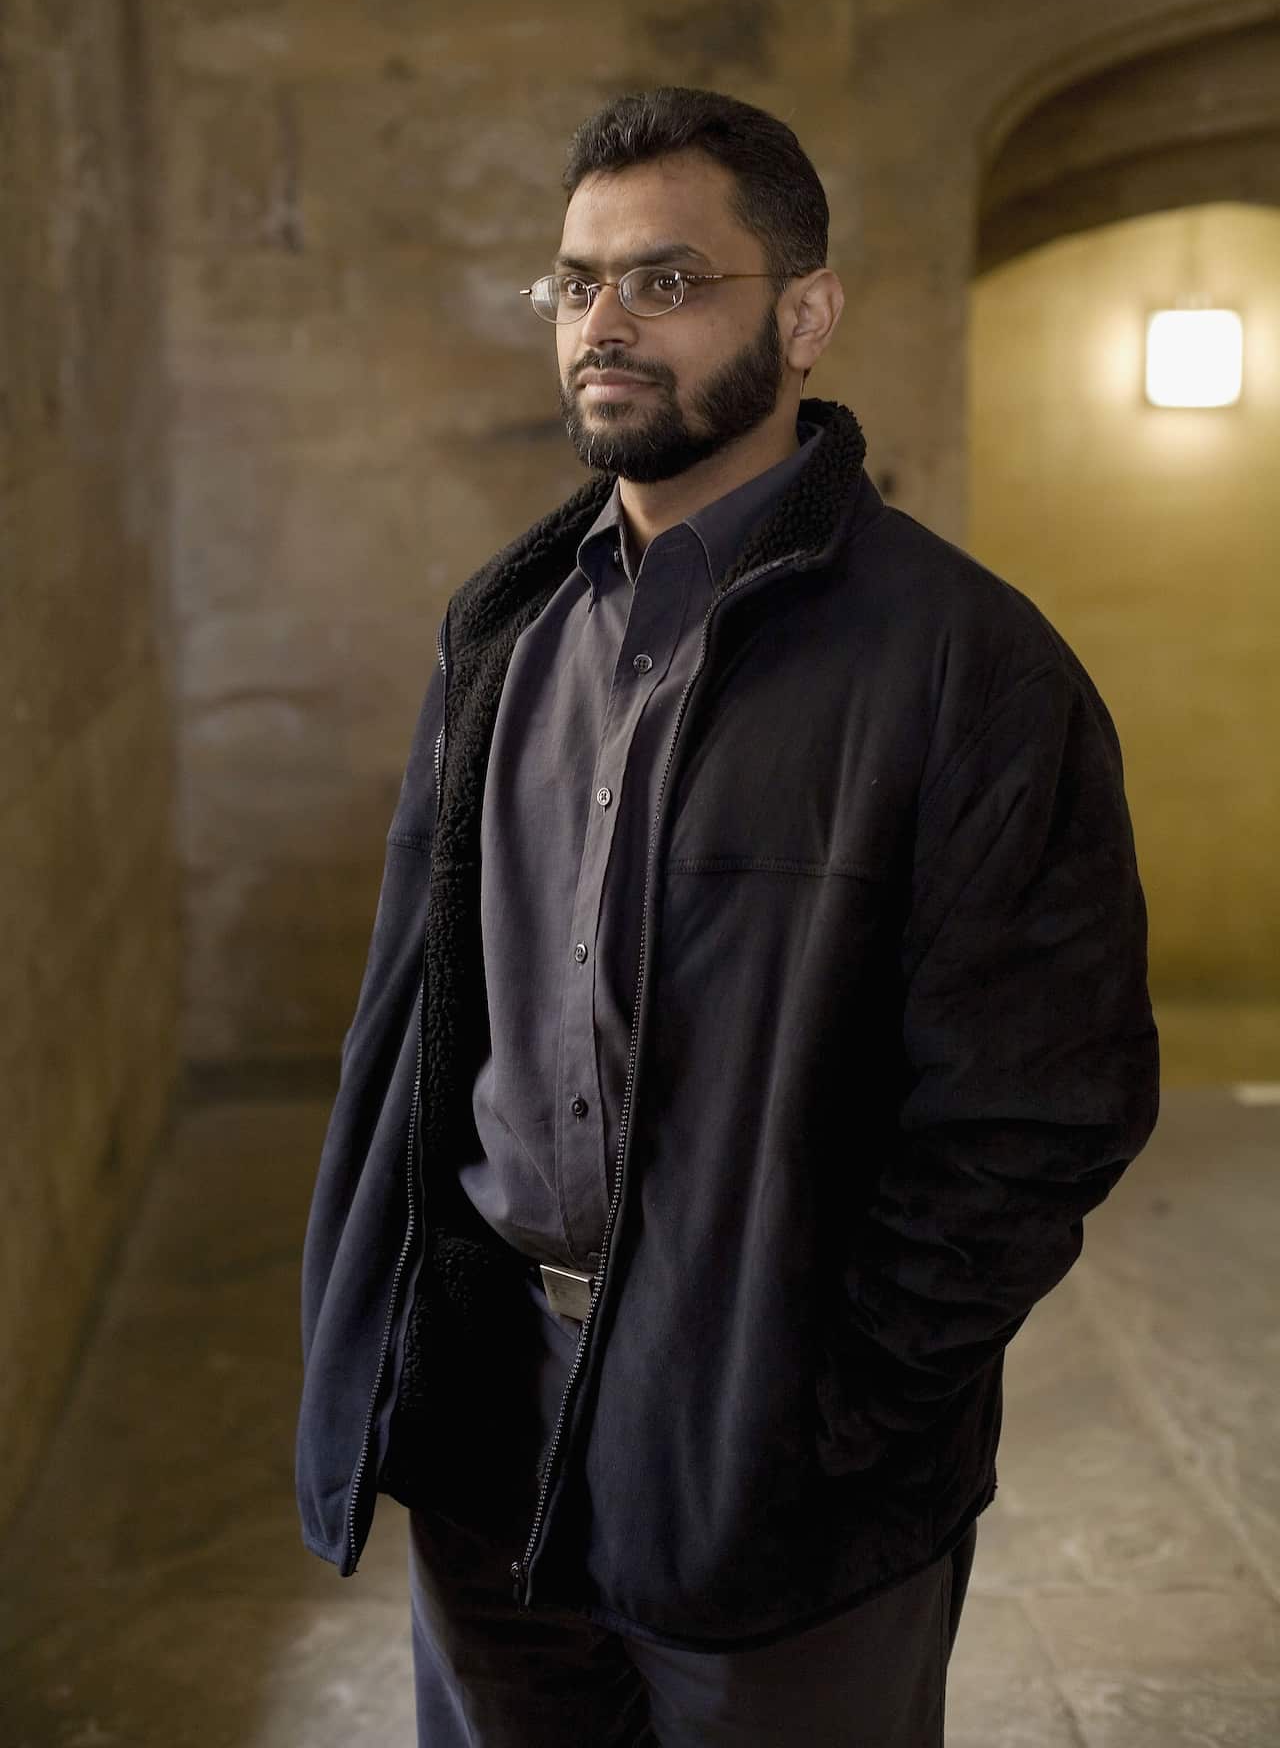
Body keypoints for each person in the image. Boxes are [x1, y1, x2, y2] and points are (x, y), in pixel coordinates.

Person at [295, 86, 1159, 1746]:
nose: (603, 324)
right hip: (491, 1430)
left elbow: (1043, 1109)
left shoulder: (968, 666)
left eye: (668, 281)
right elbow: (419, 1028)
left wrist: (838, 1411)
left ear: (809, 316)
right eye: (575, 283)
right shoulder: (506, 632)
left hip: (778, 1469)